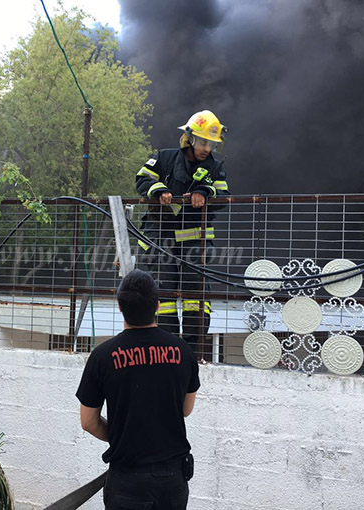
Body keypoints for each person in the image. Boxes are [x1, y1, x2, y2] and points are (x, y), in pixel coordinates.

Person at [76, 269, 200, 510]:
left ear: (120, 307)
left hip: (127, 479)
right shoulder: (183, 351)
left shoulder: (102, 356)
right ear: (157, 306)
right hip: (172, 479)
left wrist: (123, 437)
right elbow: (185, 410)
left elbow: (88, 422)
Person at [135, 110, 230, 355]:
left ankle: (191, 350)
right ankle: (165, 348)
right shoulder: (164, 158)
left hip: (194, 243)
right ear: (189, 138)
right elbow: (142, 179)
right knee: (163, 296)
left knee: (195, 297)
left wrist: (205, 193)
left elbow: (223, 195)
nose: (206, 149)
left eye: (211, 144)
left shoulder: (215, 168)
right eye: (203, 142)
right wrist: (159, 190)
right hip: (161, 239)